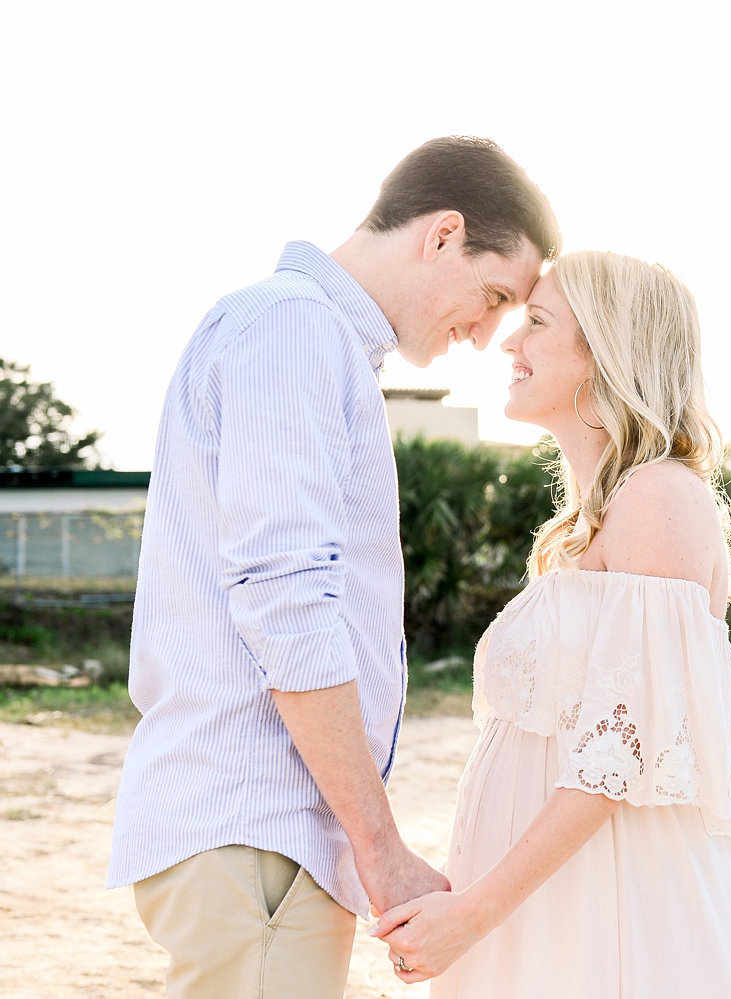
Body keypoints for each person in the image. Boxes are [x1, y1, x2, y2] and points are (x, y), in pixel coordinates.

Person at [107, 136, 560, 999]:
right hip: (255, 834)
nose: (485, 331)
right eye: (494, 293)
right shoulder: (295, 330)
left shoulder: (308, 337)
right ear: (442, 234)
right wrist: (380, 848)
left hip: (257, 842)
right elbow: (287, 600)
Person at [371, 251, 731, 997]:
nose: (507, 343)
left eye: (537, 322)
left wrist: (475, 912)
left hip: (614, 906)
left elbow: (623, 747)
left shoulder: (658, 499)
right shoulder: (587, 522)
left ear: (606, 351)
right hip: (543, 902)